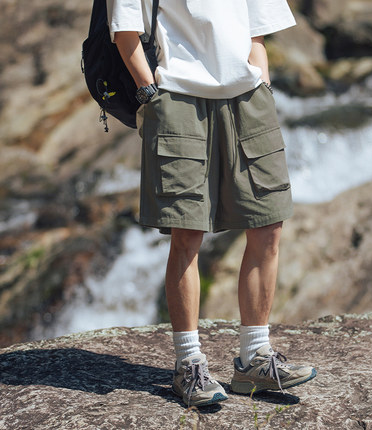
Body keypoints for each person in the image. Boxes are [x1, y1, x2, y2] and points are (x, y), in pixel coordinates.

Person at [107, 0, 316, 407]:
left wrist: (264, 88)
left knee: (268, 225)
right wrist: (152, 94)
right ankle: (189, 366)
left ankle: (254, 358)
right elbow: (124, 32)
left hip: (249, 99)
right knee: (188, 232)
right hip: (178, 100)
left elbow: (256, 35)